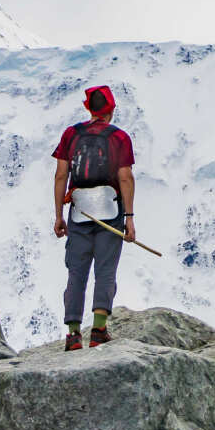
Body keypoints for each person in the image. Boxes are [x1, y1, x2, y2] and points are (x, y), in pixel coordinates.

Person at [51, 84, 137, 350]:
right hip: (110, 210)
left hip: (79, 210)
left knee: (76, 272)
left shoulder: (71, 135)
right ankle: (99, 331)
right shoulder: (119, 137)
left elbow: (61, 175)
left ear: (88, 108)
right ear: (111, 109)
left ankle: (73, 334)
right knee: (105, 270)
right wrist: (129, 217)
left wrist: (58, 215)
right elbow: (125, 177)